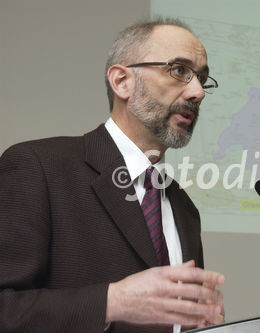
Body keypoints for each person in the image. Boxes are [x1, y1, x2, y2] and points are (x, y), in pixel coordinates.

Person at [0, 18, 225, 333]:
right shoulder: (38, 168)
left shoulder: (183, 207)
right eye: (179, 71)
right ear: (122, 82)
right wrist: (111, 302)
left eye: (202, 78)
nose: (198, 92)